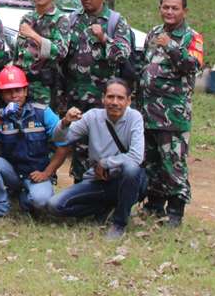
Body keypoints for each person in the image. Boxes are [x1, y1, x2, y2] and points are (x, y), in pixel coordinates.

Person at [45, 79, 147, 239]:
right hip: (99, 180)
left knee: (132, 169)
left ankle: (119, 223)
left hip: (126, 180)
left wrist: (105, 163)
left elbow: (136, 156)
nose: (114, 102)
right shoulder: (92, 116)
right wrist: (65, 122)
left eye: (120, 98)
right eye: (110, 97)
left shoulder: (135, 117)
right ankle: (103, 209)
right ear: (103, 98)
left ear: (128, 101)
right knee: (54, 205)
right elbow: (61, 138)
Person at [138, 0, 203, 228]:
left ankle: (176, 209)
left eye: (175, 8)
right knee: (152, 160)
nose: (169, 12)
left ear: (184, 11)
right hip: (148, 111)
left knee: (173, 162)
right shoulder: (153, 33)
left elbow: (192, 65)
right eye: (165, 7)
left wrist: (172, 46)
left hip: (173, 114)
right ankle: (154, 204)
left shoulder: (192, 37)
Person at [61, 0, 134, 179]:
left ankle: (103, 193)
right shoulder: (73, 19)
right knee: (79, 146)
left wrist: (103, 38)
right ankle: (79, 188)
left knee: (103, 146)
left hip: (104, 99)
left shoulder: (115, 21)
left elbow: (123, 54)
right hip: (76, 95)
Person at [0, 65, 60, 220]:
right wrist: (1, 118)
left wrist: (47, 173)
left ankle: (23, 196)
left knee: (40, 202)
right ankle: (0, 207)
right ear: (2, 94)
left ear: (26, 91)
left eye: (18, 90)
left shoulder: (42, 112)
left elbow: (65, 142)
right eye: (8, 91)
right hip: (12, 172)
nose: (13, 95)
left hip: (36, 173)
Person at [12, 0, 68, 110]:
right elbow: (18, 53)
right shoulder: (27, 18)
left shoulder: (60, 19)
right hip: (22, 88)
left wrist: (33, 35)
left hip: (45, 90)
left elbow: (60, 52)